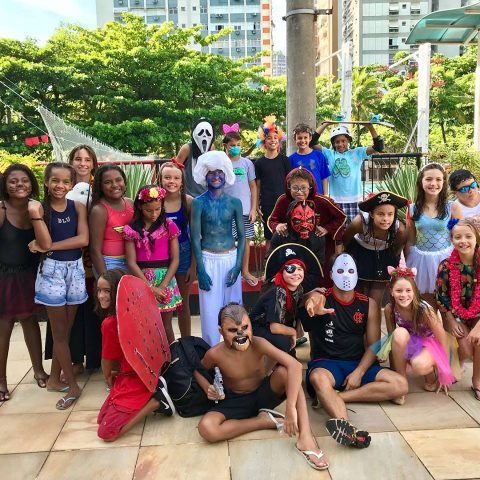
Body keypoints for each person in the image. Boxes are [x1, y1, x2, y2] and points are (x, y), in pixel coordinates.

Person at [196, 303, 329, 471]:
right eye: (232, 330)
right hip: (234, 400)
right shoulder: (215, 353)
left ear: (251, 326)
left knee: (286, 374)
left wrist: (290, 408)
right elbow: (198, 371)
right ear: (221, 332)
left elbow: (295, 365)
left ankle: (306, 437)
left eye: (245, 327)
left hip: (261, 394)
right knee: (207, 428)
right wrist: (207, 387)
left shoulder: (259, 344)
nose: (241, 334)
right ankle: (262, 421)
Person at [300, 253, 408, 448]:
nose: (346, 275)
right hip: (327, 364)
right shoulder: (321, 298)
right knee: (318, 378)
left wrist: (359, 372)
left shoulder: (369, 304)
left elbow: (374, 345)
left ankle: (335, 397)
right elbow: (306, 300)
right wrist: (311, 299)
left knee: (400, 385)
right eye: (341, 270)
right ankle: (348, 429)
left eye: (350, 270)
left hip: (357, 362)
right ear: (331, 274)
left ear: (357, 273)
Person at [30, 162, 89, 410]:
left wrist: (47, 246)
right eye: (55, 180)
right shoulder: (39, 209)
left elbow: (83, 239)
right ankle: (73, 386)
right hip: (51, 272)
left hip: (75, 269)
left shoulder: (77, 207)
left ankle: (55, 379)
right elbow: (42, 239)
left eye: (66, 181)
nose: (60, 186)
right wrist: (43, 242)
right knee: (60, 332)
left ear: (72, 184)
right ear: (46, 181)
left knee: (66, 330)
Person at [96, 269, 175, 441]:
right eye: (99, 290)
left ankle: (156, 403)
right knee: (101, 418)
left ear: (117, 292)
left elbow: (106, 360)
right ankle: (155, 389)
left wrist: (107, 377)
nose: (101, 296)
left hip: (135, 379)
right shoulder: (137, 308)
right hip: (147, 372)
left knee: (106, 433)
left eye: (107, 291)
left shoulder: (109, 323)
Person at [45, 145, 101, 378]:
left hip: (93, 258)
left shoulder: (99, 188)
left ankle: (95, 358)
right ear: (71, 161)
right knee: (70, 316)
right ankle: (73, 360)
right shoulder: (61, 190)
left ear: (93, 163)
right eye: (78, 158)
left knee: (94, 309)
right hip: (65, 260)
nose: (82, 163)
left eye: (87, 159)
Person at [0, 164, 50, 401]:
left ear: (32, 183)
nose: (19, 184)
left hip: (30, 274)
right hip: (5, 276)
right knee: (4, 327)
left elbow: (45, 242)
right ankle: (1, 380)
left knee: (31, 322)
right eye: (13, 181)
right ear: (5, 185)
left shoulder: (37, 207)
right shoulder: (1, 208)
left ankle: (38, 370)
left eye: (24, 180)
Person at [377, 256, 456, 405]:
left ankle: (431, 374)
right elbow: (392, 340)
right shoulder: (390, 309)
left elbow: (442, 338)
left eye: (408, 290)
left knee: (420, 367)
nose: (404, 295)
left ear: (414, 291)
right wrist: (393, 367)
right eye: (399, 290)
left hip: (431, 343)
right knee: (398, 333)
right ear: (391, 291)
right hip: (410, 341)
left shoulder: (423, 310)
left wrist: (444, 371)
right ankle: (401, 385)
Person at [191, 150, 245, 346]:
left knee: (234, 310)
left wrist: (238, 267)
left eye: (220, 172)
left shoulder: (235, 203)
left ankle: (236, 348)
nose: (216, 176)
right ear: (204, 176)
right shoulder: (198, 203)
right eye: (211, 173)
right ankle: (211, 354)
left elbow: (242, 236)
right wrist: (201, 270)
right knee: (210, 313)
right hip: (208, 259)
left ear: (226, 174)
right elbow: (195, 237)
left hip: (230, 259)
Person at [267, 167, 346, 285]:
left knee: (318, 276)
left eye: (303, 188)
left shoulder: (323, 201)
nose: (299, 192)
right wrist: (277, 226)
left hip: (316, 245)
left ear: (310, 187)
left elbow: (341, 217)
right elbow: (272, 220)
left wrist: (327, 229)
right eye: (295, 188)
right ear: (289, 187)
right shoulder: (283, 200)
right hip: (291, 245)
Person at [124, 185, 181, 343]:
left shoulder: (168, 226)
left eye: (157, 209)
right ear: (139, 207)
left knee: (166, 326)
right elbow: (131, 262)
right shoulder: (131, 230)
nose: (154, 214)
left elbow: (175, 259)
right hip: (141, 280)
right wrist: (149, 287)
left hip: (165, 279)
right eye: (149, 210)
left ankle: (171, 356)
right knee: (145, 325)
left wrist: (162, 286)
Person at [343, 191, 408, 315]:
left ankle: (374, 325)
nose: (385, 219)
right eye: (380, 214)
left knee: (375, 301)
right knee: (360, 297)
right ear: (371, 214)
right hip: (360, 254)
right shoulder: (359, 222)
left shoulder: (399, 229)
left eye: (390, 214)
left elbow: (398, 248)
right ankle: (359, 324)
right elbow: (346, 240)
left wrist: (389, 260)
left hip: (384, 256)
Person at [436, 219, 480, 401]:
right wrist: (451, 320)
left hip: (479, 316)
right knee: (466, 349)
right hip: (457, 315)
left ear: (477, 238)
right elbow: (441, 296)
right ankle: (458, 359)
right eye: (458, 237)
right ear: (451, 240)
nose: (463, 241)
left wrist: (478, 327)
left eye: (468, 236)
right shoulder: (446, 266)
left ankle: (477, 380)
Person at [406, 163, 462, 307]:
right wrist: (406, 265)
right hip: (421, 262)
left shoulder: (452, 207)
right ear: (421, 181)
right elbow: (411, 240)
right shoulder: (412, 208)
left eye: (438, 179)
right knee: (428, 308)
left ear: (444, 182)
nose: (433, 183)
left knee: (448, 309)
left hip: (446, 260)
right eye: (429, 179)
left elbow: (460, 235)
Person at [250, 243, 321, 354]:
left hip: (274, 325)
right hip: (258, 328)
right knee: (285, 343)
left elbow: (298, 301)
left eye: (300, 269)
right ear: (282, 272)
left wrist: (312, 293)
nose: (296, 273)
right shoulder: (278, 291)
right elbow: (274, 327)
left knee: (307, 314)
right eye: (290, 269)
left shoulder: (298, 288)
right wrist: (293, 332)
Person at [311, 121, 383, 222]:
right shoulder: (329, 154)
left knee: (355, 229)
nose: (340, 144)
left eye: (343, 141)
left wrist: (370, 127)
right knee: (338, 229)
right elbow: (312, 142)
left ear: (348, 140)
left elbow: (378, 147)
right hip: (335, 200)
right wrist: (325, 125)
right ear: (333, 143)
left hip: (355, 200)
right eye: (337, 142)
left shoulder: (357, 153)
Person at [160, 160, 195, 337]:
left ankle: (187, 343)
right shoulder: (155, 200)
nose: (171, 181)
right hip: (160, 255)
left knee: (183, 304)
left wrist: (193, 266)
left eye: (176, 178)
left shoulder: (188, 202)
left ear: (182, 181)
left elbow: (195, 236)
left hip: (183, 253)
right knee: (164, 305)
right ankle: (169, 346)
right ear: (160, 179)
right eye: (167, 177)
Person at [222, 125, 258, 287]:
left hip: (245, 210)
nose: (236, 148)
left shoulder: (247, 163)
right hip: (226, 211)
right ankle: (230, 271)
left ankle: (245, 270)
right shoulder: (222, 164)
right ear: (225, 146)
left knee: (245, 241)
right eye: (232, 145)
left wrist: (253, 208)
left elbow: (253, 187)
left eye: (238, 145)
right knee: (228, 242)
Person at [254, 116, 291, 250]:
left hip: (285, 202)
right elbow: (258, 185)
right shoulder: (259, 163)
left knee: (286, 234)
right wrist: (256, 205)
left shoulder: (285, 161)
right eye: (269, 138)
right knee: (269, 236)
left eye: (275, 137)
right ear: (264, 141)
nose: (273, 140)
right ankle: (269, 260)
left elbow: (290, 183)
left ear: (279, 140)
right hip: (267, 203)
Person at [89, 164, 134, 275]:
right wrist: (105, 278)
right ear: (100, 186)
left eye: (118, 180)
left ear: (124, 181)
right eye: (107, 182)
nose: (114, 185)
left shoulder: (131, 203)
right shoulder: (99, 210)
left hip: (132, 262)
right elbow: (95, 250)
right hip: (109, 263)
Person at [176, 118, 215, 197]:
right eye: (201, 132)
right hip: (189, 196)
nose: (204, 136)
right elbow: (175, 169)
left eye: (208, 133)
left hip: (206, 195)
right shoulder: (186, 148)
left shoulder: (212, 148)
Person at [289, 123, 330, 195]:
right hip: (300, 196)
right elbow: (290, 181)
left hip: (317, 196)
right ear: (295, 139)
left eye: (305, 137)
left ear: (310, 138)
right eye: (299, 138)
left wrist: (326, 195)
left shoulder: (319, 155)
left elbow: (324, 177)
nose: (303, 140)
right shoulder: (291, 159)